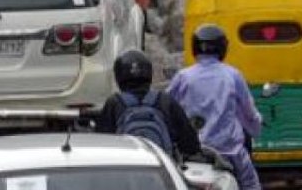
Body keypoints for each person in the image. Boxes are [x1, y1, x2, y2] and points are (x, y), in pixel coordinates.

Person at [168, 25, 263, 190]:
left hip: (191, 154)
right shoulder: (233, 76)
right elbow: (248, 113)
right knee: (251, 185)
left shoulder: (183, 77)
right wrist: (256, 128)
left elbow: (167, 108)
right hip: (229, 153)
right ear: (223, 47)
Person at [96, 50, 202, 160]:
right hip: (160, 169)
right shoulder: (165, 101)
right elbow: (190, 145)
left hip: (125, 169)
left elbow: (101, 146)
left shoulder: (114, 103)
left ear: (118, 76)